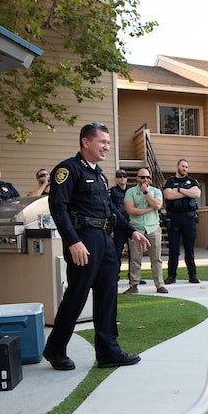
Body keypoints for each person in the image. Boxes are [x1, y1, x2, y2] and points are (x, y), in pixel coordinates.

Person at [42, 122, 150, 371]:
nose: (107, 147)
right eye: (102, 142)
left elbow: (112, 210)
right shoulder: (68, 170)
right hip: (84, 240)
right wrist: (73, 242)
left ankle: (108, 352)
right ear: (86, 142)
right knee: (77, 296)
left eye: (109, 143)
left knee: (107, 296)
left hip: (105, 240)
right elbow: (58, 208)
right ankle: (55, 349)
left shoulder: (100, 175)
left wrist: (132, 232)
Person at [123, 167, 168, 294]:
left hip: (153, 228)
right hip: (136, 229)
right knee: (135, 259)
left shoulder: (156, 191)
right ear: (137, 178)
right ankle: (134, 285)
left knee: (156, 259)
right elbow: (130, 210)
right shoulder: (130, 192)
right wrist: (149, 209)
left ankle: (159, 284)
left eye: (147, 177)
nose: (145, 179)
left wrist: (146, 193)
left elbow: (158, 206)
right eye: (142, 177)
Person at [163, 158, 201, 284]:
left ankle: (193, 275)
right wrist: (188, 192)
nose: (185, 169)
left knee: (189, 249)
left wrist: (179, 190)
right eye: (183, 166)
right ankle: (171, 276)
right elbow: (168, 195)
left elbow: (197, 194)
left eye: (187, 167)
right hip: (174, 218)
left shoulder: (192, 181)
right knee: (173, 249)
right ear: (177, 167)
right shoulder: (169, 181)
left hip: (189, 218)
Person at [110, 169, 132, 277]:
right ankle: (115, 275)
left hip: (131, 225)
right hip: (118, 226)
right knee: (117, 252)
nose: (122, 178)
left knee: (133, 254)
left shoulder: (131, 191)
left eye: (124, 176)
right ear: (116, 178)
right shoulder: (112, 192)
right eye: (119, 176)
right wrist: (111, 229)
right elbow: (111, 210)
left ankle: (133, 276)